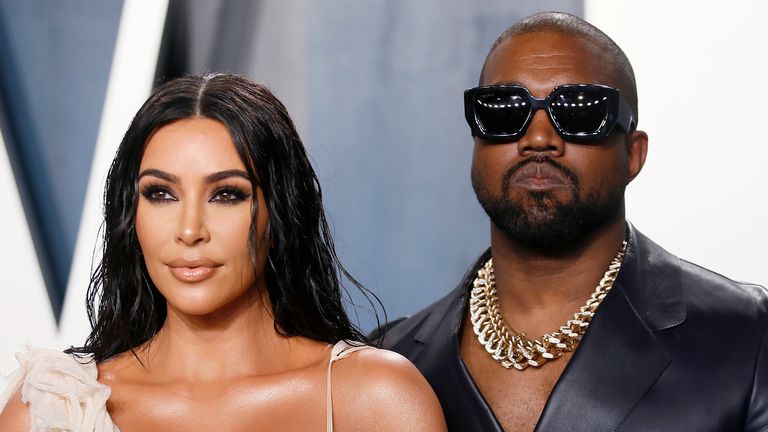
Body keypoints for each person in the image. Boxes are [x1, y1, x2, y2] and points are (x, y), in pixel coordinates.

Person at [378, 11, 768, 432]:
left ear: (633, 154)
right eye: (505, 111)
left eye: (580, 112)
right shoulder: (386, 363)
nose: (538, 139)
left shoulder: (750, 337)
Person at [0, 73, 446, 431]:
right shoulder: (49, 409)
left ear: (281, 211)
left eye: (226, 195)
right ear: (130, 213)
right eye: (161, 194)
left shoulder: (375, 399)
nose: (189, 230)